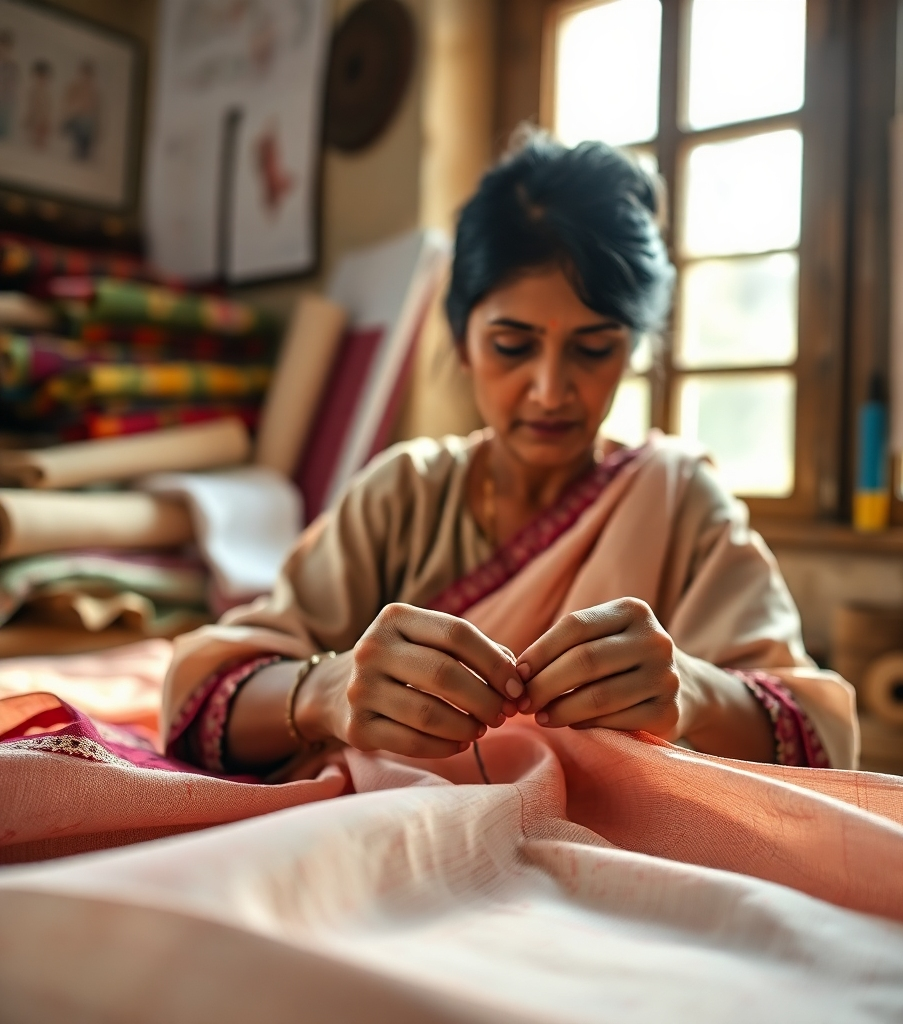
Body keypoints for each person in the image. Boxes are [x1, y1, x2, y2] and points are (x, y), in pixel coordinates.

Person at [163, 133, 856, 776]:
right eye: (512, 345)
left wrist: (695, 692)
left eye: (592, 349)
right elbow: (203, 701)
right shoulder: (401, 495)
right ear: (463, 342)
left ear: (631, 351)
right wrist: (326, 690)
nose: (551, 390)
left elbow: (822, 741)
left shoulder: (677, 501)